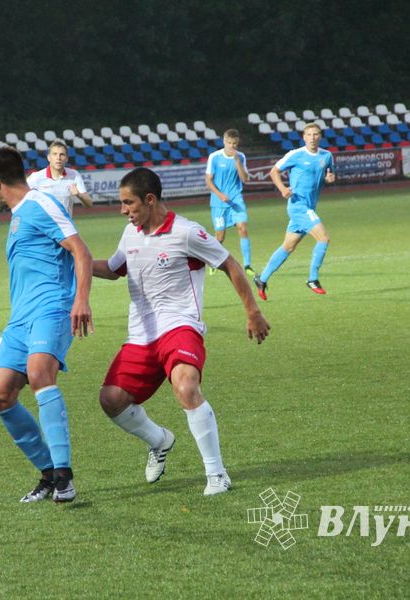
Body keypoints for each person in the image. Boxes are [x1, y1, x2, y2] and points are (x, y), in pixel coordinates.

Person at [92, 167, 270, 496]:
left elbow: (229, 263)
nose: (122, 210)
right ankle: (159, 440)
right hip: (141, 334)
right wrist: (79, 260)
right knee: (111, 400)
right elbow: (115, 269)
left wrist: (253, 311)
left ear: (149, 200)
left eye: (127, 203)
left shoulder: (186, 232)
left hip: (180, 325)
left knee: (187, 387)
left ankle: (217, 475)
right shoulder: (130, 232)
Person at [0, 145, 93, 503]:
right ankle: (47, 473)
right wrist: (8, 332)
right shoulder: (17, 215)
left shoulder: (41, 204)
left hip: (52, 309)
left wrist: (81, 299)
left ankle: (64, 476)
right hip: (20, 320)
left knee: (40, 374)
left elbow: (80, 250)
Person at [253, 122, 335, 299]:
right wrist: (283, 189)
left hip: (309, 207)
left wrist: (330, 178)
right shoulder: (295, 155)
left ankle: (262, 278)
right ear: (304, 137)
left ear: (320, 136)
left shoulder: (327, 156)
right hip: (298, 206)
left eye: (315, 134)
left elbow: (329, 174)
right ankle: (313, 279)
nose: (312, 138)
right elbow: (274, 171)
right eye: (309, 135)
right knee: (324, 238)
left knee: (288, 246)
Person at [205, 129, 254, 276]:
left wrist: (237, 161)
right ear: (224, 142)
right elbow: (208, 180)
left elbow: (245, 179)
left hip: (236, 200)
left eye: (235, 144)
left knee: (243, 228)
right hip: (219, 202)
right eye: (229, 143)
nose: (232, 146)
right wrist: (220, 195)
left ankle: (247, 266)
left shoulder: (241, 157)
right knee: (220, 237)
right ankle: (213, 261)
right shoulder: (214, 157)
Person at [26, 140, 94, 218]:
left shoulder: (74, 175)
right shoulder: (36, 177)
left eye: (62, 154)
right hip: (44, 228)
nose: (58, 158)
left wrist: (79, 195)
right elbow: (18, 196)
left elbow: (89, 204)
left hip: (66, 227)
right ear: (49, 157)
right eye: (55, 154)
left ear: (66, 158)